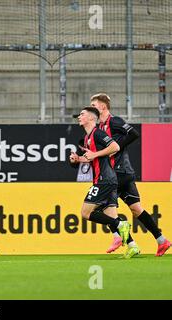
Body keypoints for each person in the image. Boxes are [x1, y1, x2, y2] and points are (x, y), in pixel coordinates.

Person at [90, 93, 170, 257]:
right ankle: (162, 240)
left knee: (102, 206)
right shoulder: (100, 128)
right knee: (136, 209)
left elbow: (133, 133)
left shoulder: (115, 121)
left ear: (103, 106)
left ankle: (122, 239)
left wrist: (116, 147)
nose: (92, 108)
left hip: (117, 172)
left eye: (94, 105)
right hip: (125, 172)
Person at [70, 106, 131, 248]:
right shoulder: (87, 138)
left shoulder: (97, 133)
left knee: (86, 213)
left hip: (104, 179)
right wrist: (78, 159)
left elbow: (115, 147)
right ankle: (129, 244)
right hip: (106, 179)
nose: (79, 117)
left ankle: (121, 224)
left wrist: (95, 154)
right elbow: (92, 158)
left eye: (82, 114)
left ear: (91, 118)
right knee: (109, 214)